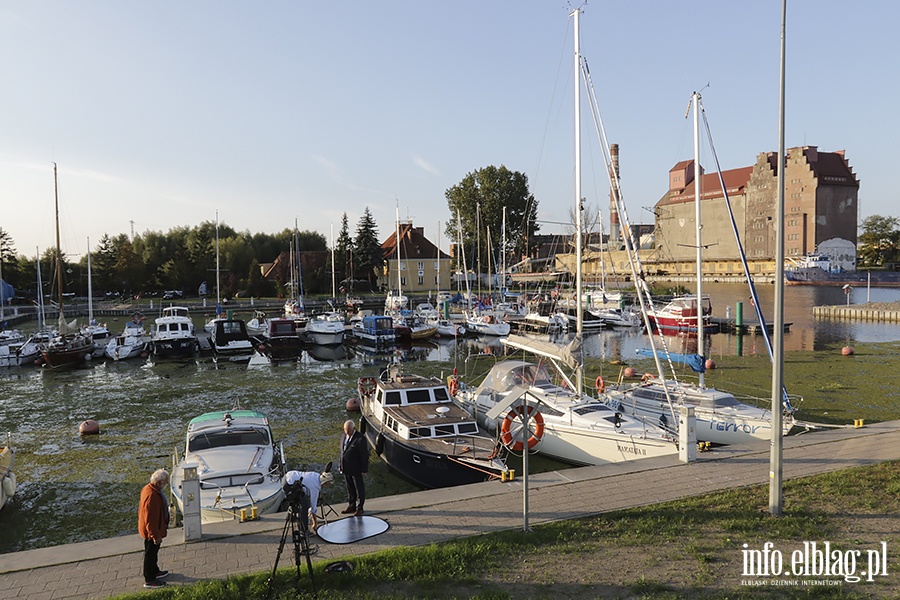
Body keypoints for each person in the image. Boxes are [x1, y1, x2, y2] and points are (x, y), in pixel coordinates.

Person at [137, 469, 170, 589]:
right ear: (159, 482)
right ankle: (150, 579)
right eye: (165, 481)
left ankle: (155, 571)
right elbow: (150, 520)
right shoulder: (152, 496)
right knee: (150, 554)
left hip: (152, 530)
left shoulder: (148, 489)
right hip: (152, 532)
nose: (167, 484)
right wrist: (155, 536)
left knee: (153, 553)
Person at [338, 419, 368, 516]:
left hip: (356, 468)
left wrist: (364, 469)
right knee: (350, 487)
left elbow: (364, 455)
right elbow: (342, 452)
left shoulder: (360, 439)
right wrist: (341, 465)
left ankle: (360, 507)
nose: (347, 433)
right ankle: (352, 505)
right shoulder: (343, 436)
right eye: (346, 431)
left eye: (349, 431)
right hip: (346, 468)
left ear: (353, 429)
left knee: (359, 488)